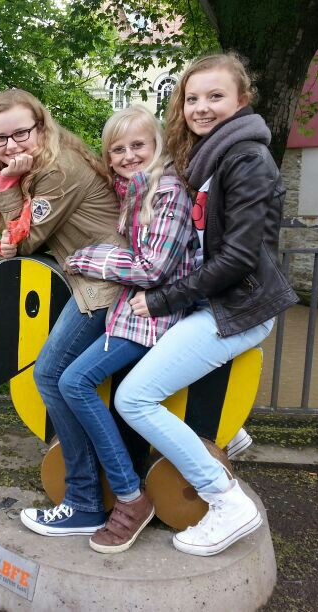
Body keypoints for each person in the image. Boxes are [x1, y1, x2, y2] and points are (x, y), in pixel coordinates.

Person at [109, 52, 298, 556]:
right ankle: (229, 433)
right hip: (220, 301)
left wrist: (162, 300)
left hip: (237, 306)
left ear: (242, 99)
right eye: (192, 98)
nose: (201, 107)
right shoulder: (211, 156)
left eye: (216, 96)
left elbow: (238, 257)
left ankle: (226, 501)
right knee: (152, 368)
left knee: (134, 398)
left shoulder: (247, 159)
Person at [16, 105, 197, 553]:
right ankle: (100, 497)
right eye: (118, 149)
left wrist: (87, 258)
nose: (129, 155)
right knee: (66, 379)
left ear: (157, 145)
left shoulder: (167, 192)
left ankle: (126, 497)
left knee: (73, 382)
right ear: (108, 156)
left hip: (153, 316)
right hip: (130, 311)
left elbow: (153, 268)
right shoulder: (133, 189)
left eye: (138, 146)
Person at [0, 88, 126, 536]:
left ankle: (84, 501)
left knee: (51, 376)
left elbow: (27, 240)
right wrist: (13, 226)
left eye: (21, 133)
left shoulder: (57, 170)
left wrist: (8, 185)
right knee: (63, 378)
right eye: (0, 138)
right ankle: (91, 491)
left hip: (106, 283)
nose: (10, 145)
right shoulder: (45, 164)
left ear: (41, 127)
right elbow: (15, 236)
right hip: (93, 277)